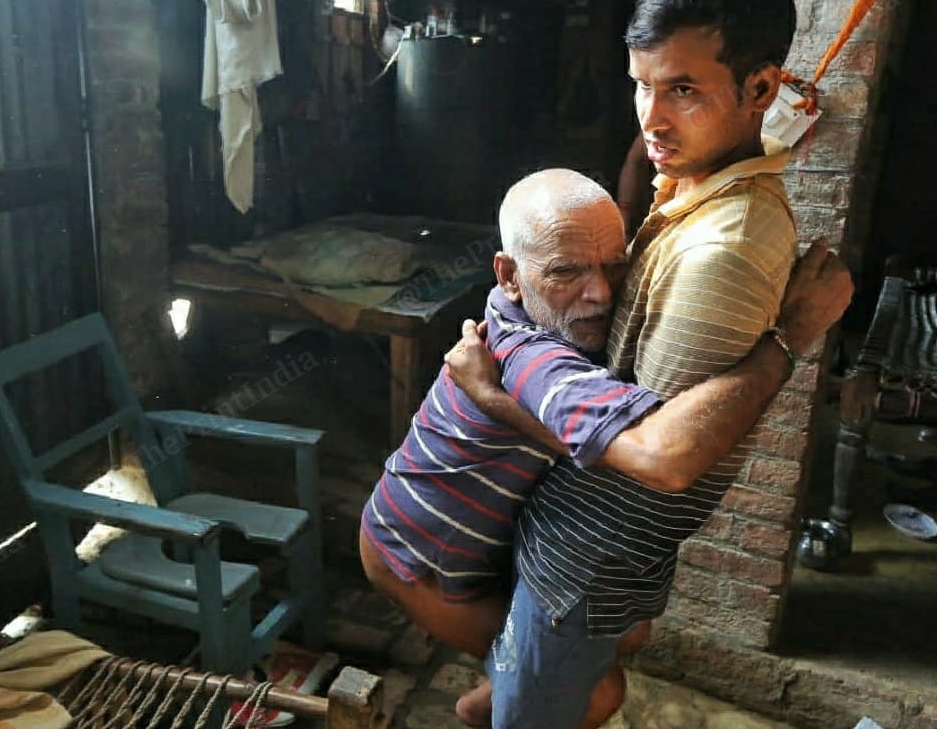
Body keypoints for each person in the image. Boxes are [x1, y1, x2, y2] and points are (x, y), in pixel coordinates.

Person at [446, 0, 828, 729]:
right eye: (641, 86)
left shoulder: (728, 242)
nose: (652, 118)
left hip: (581, 556)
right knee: (531, 683)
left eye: (682, 89)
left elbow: (657, 460)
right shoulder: (690, 178)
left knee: (529, 709)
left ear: (760, 88)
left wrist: (489, 394)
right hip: (582, 555)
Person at [359, 169, 851, 728]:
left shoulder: (543, 309)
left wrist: (653, 163)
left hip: (466, 537)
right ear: (509, 275)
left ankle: (491, 702)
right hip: (414, 559)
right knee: (598, 692)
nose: (599, 292)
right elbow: (662, 460)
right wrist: (793, 333)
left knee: (626, 631)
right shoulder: (534, 361)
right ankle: (492, 711)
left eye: (615, 266)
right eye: (567, 272)